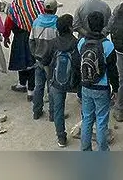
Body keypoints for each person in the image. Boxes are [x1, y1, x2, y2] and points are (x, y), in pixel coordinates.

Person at [78, 11, 119, 151]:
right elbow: (113, 71)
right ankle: (102, 151)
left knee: (87, 119)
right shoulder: (108, 46)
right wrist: (116, 88)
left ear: (88, 24)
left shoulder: (82, 43)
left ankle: (85, 150)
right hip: (102, 87)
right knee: (101, 120)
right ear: (103, 25)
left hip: (86, 86)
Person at [6, 0, 44, 98]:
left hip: (21, 35)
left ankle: (25, 87)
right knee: (31, 61)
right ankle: (29, 88)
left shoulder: (16, 4)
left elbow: (9, 21)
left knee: (23, 61)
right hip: (35, 33)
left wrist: (6, 35)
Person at [46, 14, 80, 147]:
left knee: (58, 109)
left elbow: (46, 60)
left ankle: (61, 138)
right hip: (74, 82)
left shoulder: (53, 43)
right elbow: (78, 63)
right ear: (71, 28)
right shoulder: (76, 43)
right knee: (85, 105)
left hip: (56, 81)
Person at [29, 0, 60, 120]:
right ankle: (53, 114)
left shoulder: (36, 22)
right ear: (55, 9)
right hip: (52, 61)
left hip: (39, 59)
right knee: (52, 87)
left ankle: (37, 111)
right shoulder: (57, 23)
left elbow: (31, 41)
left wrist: (35, 54)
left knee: (38, 86)